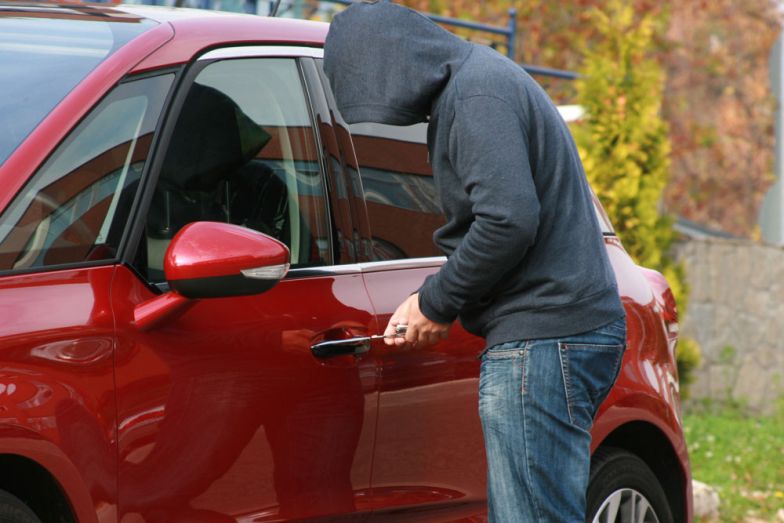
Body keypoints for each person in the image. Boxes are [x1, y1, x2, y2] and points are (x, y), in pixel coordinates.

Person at [324, 1, 627, 521]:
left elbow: (508, 220)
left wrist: (436, 303)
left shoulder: (475, 95)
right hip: (563, 331)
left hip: (542, 341)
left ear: (388, 63)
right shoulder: (485, 78)